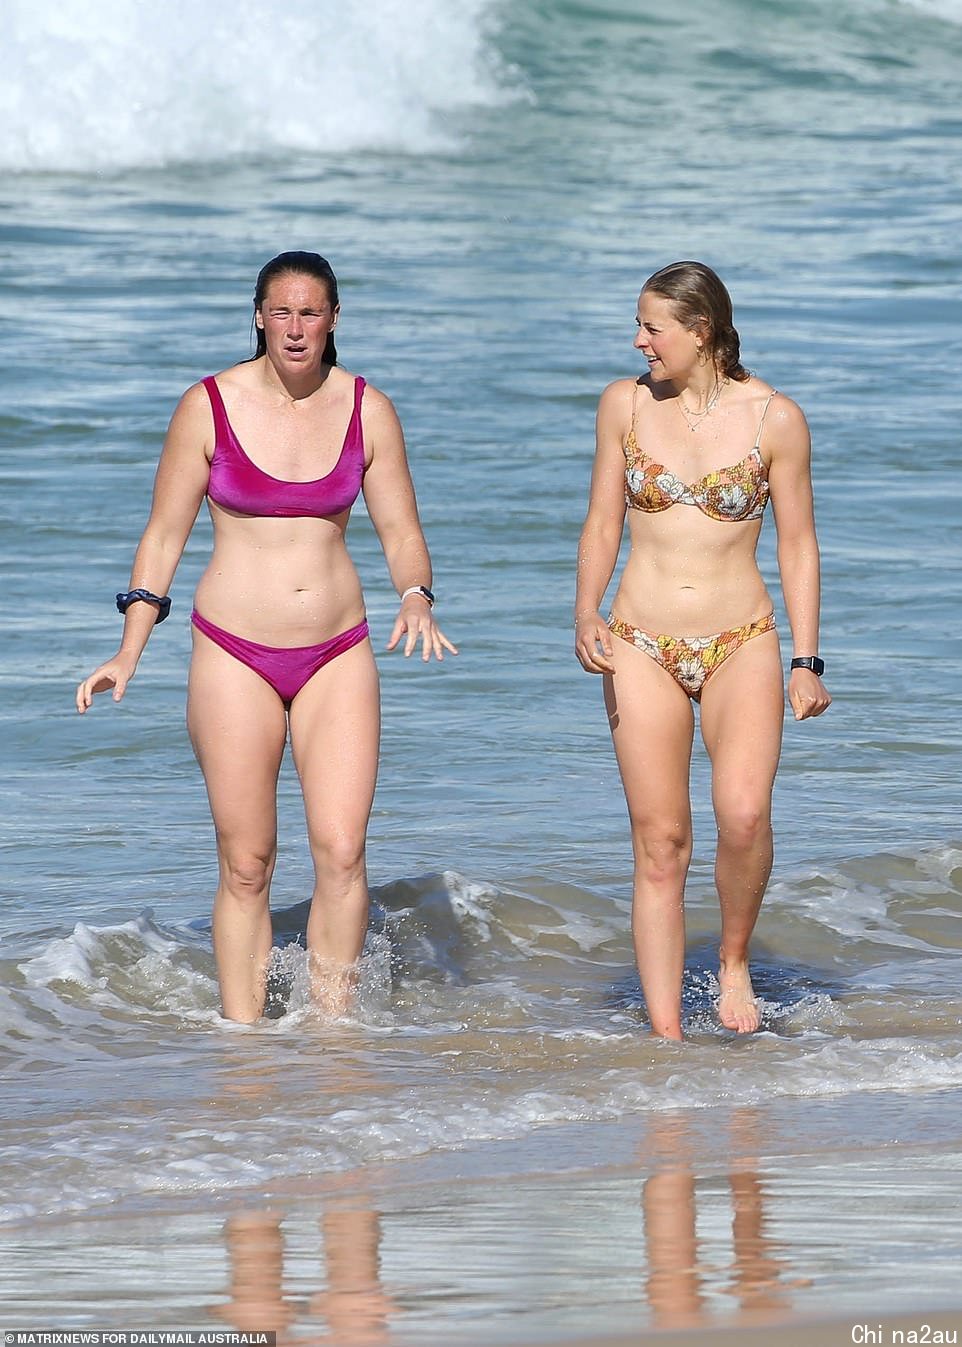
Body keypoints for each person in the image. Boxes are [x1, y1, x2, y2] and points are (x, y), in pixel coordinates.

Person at [76, 251, 456, 1024]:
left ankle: (333, 1033)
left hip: (337, 651)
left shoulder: (366, 408)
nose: (295, 327)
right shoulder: (207, 404)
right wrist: (130, 647)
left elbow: (401, 528)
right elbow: (162, 537)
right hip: (232, 651)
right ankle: (242, 1042)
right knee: (247, 864)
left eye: (310, 312)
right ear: (257, 315)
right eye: (280, 311)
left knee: (343, 852)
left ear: (334, 319)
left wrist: (415, 595)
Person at [575, 261, 830, 1039]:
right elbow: (602, 522)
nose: (638, 340)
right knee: (661, 842)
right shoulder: (623, 404)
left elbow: (798, 544)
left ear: (702, 330)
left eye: (653, 327)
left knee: (744, 816)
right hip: (640, 641)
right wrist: (584, 610)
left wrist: (806, 659)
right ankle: (666, 1037)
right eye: (640, 325)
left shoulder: (774, 418)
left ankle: (732, 958)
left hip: (740, 638)